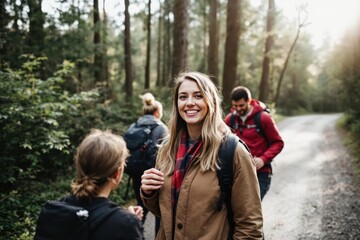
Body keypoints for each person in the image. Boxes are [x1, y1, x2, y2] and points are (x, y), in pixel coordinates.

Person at [140, 71, 263, 239]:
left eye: (198, 96)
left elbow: (250, 226)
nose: (189, 103)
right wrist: (149, 193)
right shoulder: (166, 149)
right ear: (176, 104)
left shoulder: (232, 152)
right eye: (183, 97)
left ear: (211, 101)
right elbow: (165, 213)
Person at [35, 129, 144, 240]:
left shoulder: (51, 211)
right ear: (117, 173)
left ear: (79, 165)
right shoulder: (124, 224)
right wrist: (130, 221)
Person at [224, 86, 284, 200]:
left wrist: (263, 159)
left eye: (241, 105)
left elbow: (278, 143)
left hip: (260, 174)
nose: (238, 109)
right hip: (237, 174)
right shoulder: (229, 119)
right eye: (235, 106)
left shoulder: (264, 118)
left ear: (249, 101)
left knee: (252, 210)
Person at [129, 93, 168, 231]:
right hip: (155, 176)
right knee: (159, 210)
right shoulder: (161, 128)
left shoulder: (133, 126)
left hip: (136, 174)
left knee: (141, 207)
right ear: (157, 113)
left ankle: (134, 233)